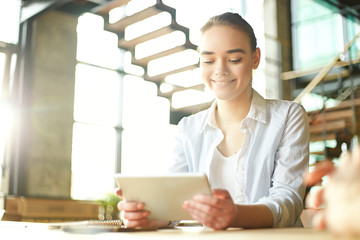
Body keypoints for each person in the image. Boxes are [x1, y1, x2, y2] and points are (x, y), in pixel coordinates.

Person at [116, 12, 309, 230]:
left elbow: (288, 200)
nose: (220, 70)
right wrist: (152, 216)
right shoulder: (187, 129)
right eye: (208, 60)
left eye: (234, 59)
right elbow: (176, 203)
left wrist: (235, 215)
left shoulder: (288, 116)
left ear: (255, 58)